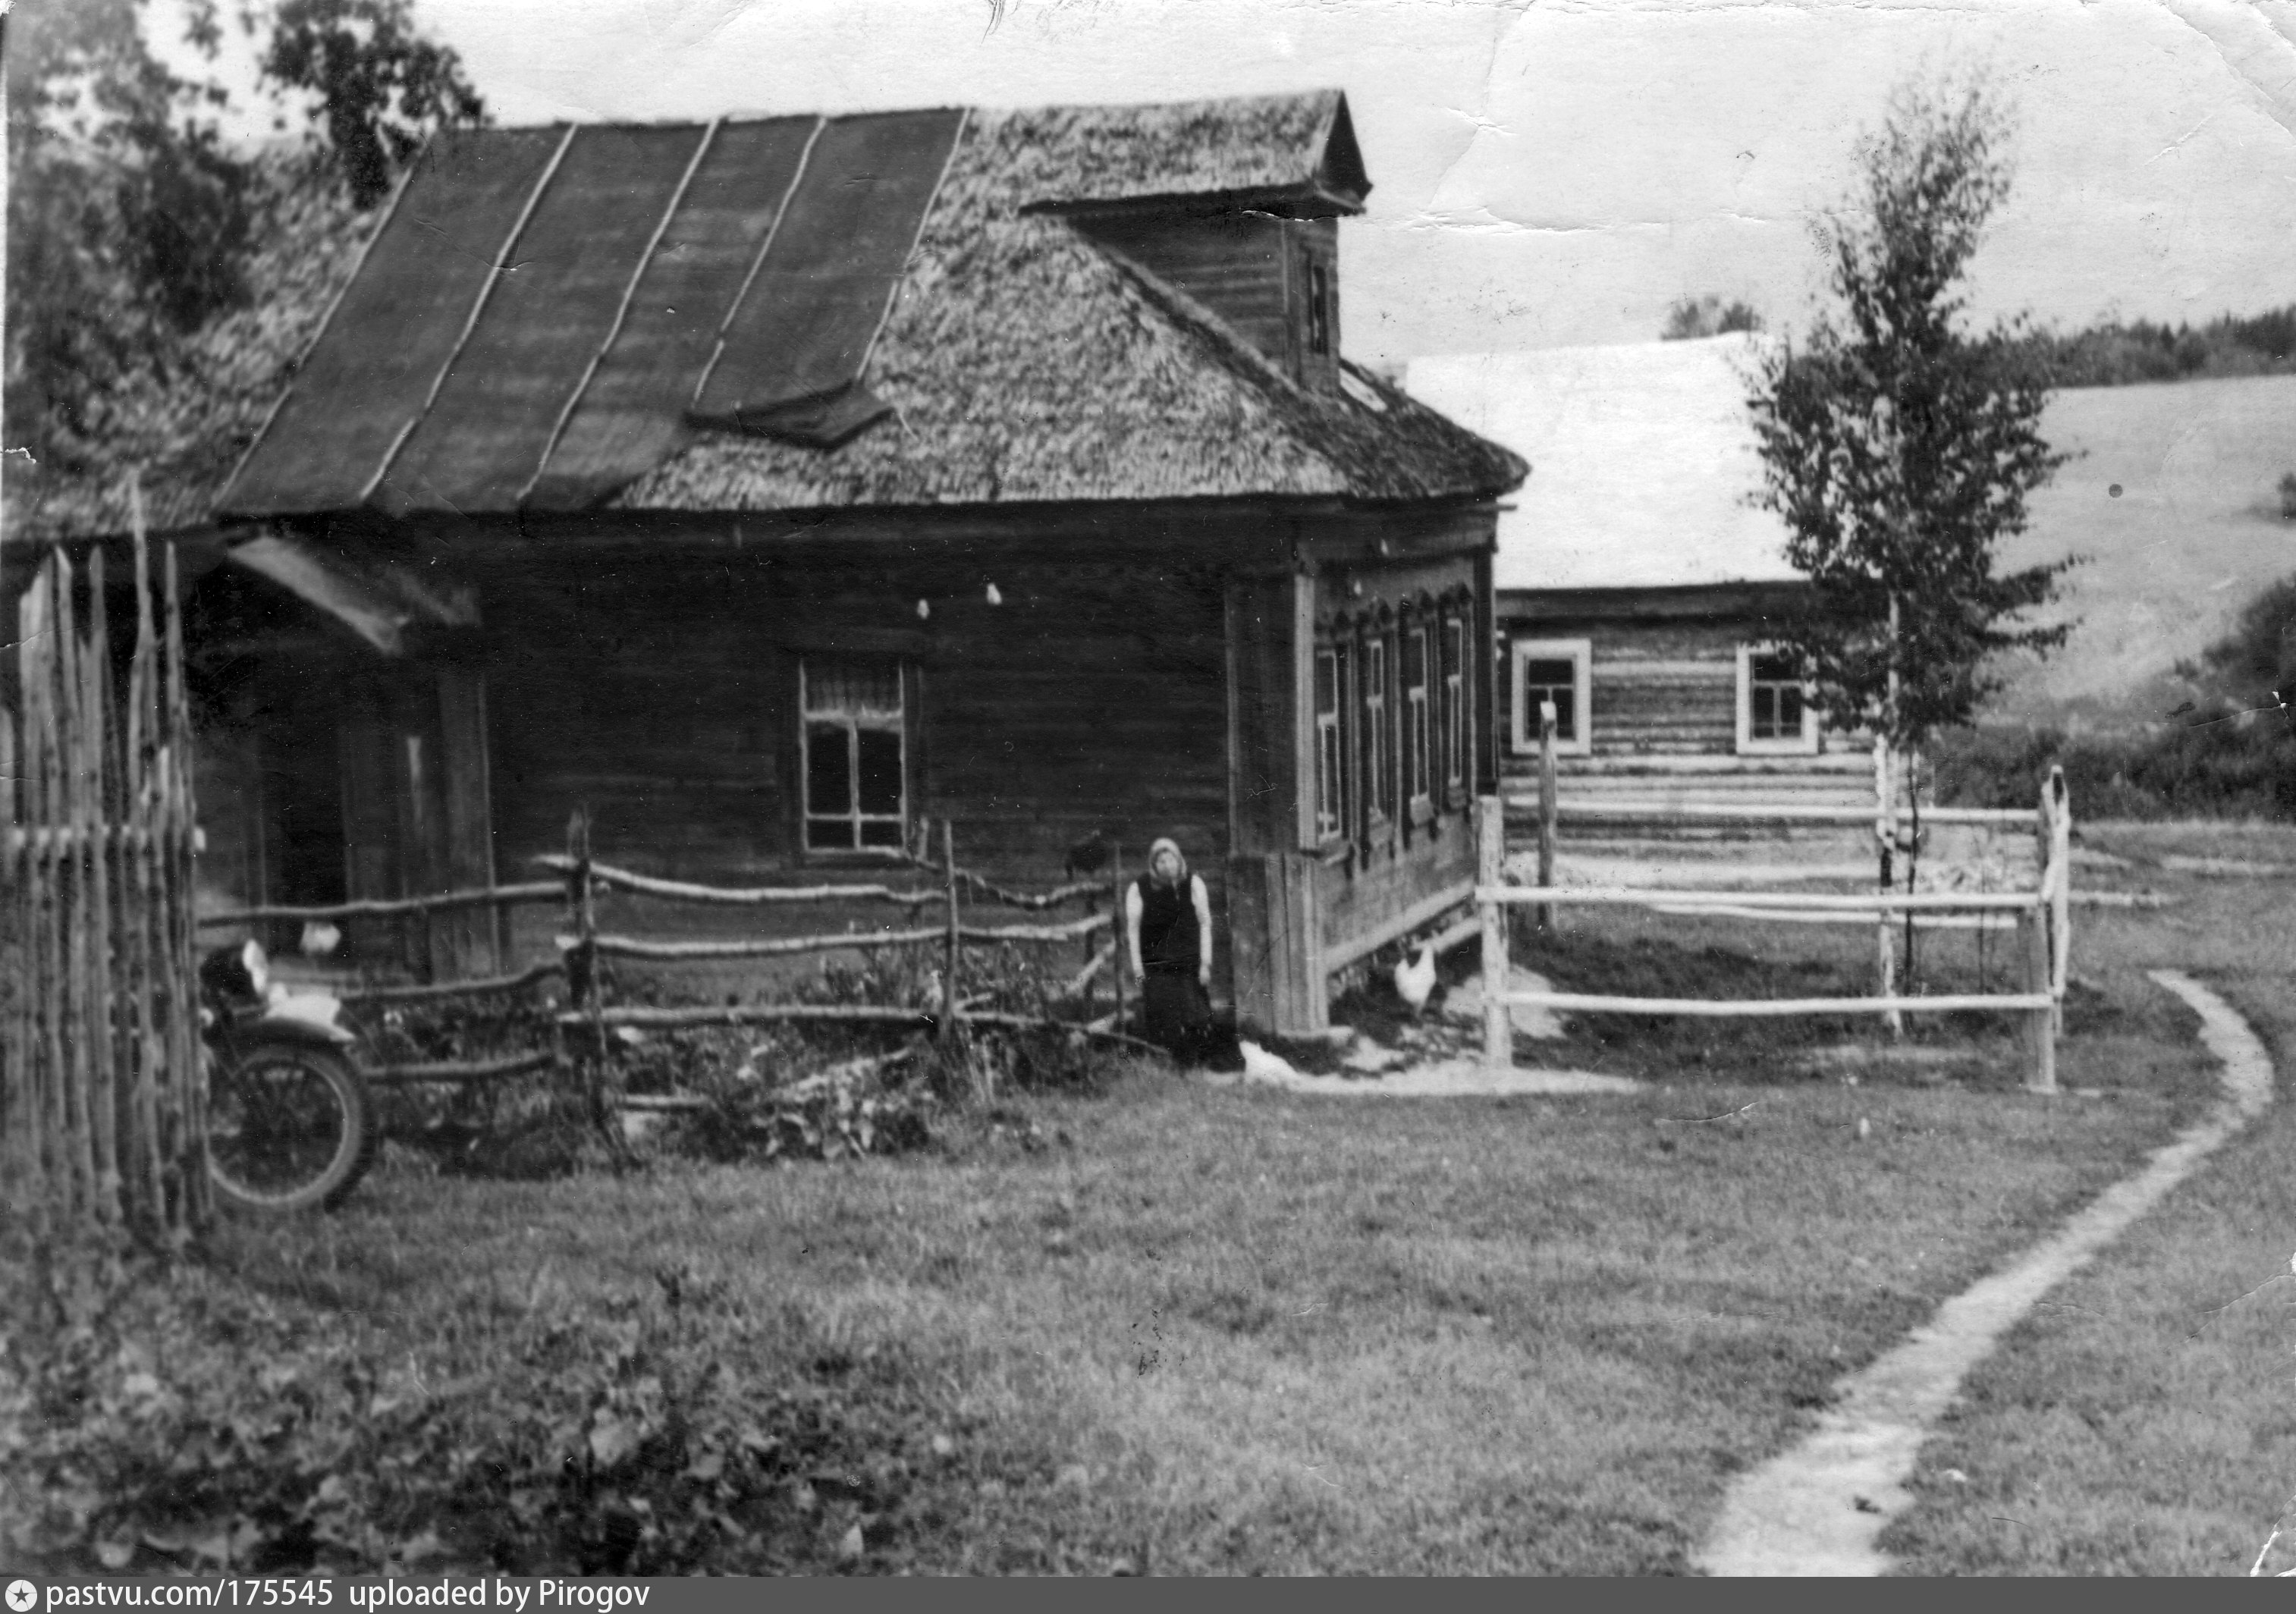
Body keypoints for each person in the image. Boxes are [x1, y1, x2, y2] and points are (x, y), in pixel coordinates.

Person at [1125, 836, 1214, 1062]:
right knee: (1161, 1016)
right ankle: (1164, 1064)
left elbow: (1205, 923)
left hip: (1189, 965)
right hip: (1157, 967)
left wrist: (1206, 963)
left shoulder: (1194, 884)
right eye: (1161, 861)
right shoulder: (1139, 889)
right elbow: (1133, 931)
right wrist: (1137, 969)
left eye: (1171, 859)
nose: (1168, 865)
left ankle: (1194, 1064)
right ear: (1154, 865)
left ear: (1179, 859)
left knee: (1194, 1016)